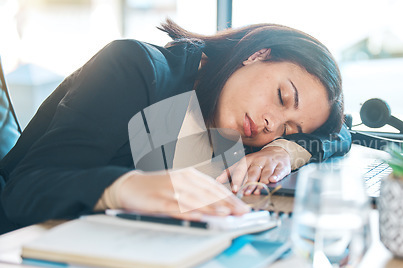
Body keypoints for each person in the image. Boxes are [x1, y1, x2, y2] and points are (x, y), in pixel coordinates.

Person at [0, 20, 351, 234]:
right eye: (280, 96)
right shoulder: (136, 68)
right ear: (258, 54)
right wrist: (125, 187)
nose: (270, 124)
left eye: (288, 129)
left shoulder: (251, 134)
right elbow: (25, 189)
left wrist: (285, 149)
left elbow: (342, 132)